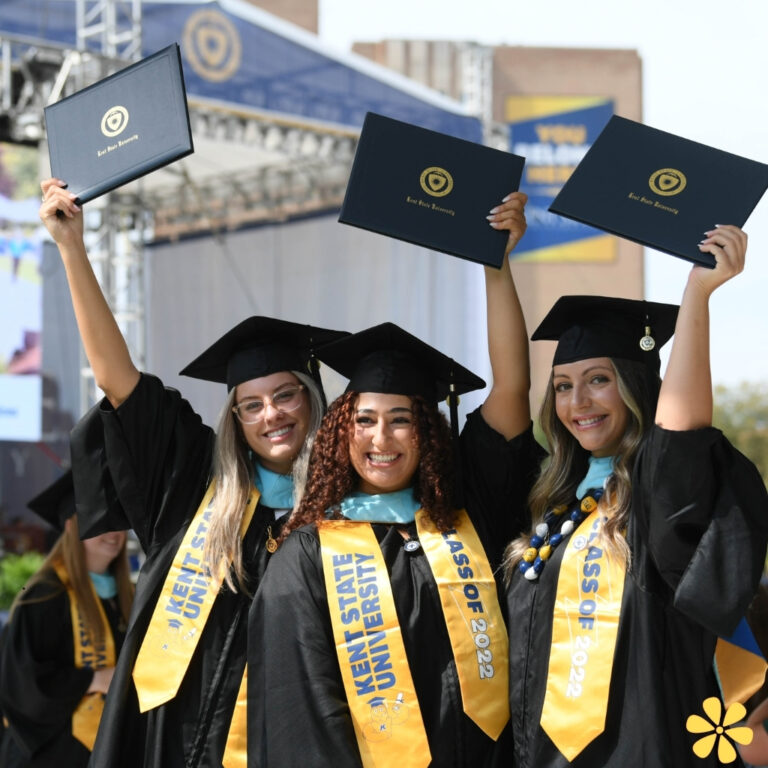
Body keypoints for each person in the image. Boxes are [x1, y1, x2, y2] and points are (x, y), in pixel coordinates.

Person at [38, 177, 348, 768]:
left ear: (311, 399)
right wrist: (72, 248)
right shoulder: (196, 487)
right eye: (251, 404)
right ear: (235, 416)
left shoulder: (349, 508)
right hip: (181, 747)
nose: (271, 415)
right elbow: (116, 380)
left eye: (285, 396)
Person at [248, 192, 543, 767]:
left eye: (401, 419)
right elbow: (299, 711)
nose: (381, 439)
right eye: (364, 421)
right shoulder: (305, 554)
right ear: (341, 433)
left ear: (427, 432)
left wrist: (497, 266)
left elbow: (510, 391)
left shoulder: (463, 518)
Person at [504, 225, 768, 767]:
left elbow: (680, 436)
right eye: (562, 385)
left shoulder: (652, 503)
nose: (578, 401)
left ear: (634, 386)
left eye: (598, 379)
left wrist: (698, 292)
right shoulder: (555, 513)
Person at [0, 471, 133, 768]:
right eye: (102, 522)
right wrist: (93, 679)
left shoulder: (129, 598)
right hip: (50, 756)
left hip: (109, 750)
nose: (114, 533)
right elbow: (21, 686)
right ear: (72, 526)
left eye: (120, 522)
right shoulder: (42, 597)